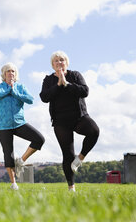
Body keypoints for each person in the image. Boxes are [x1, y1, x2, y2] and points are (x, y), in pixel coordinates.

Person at [39, 50, 99, 192]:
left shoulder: (75, 75)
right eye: (56, 61)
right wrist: (58, 85)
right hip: (60, 121)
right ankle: (71, 187)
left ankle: (81, 157)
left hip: (79, 117)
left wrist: (67, 84)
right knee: (67, 154)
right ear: (52, 65)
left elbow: (85, 91)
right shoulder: (48, 80)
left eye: (62, 60)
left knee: (94, 131)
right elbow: (44, 97)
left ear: (66, 62)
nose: (59, 63)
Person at [0, 63, 45, 190]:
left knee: (39, 139)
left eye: (13, 71)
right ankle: (14, 183)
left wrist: (15, 92)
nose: (11, 73)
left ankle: (21, 161)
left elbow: (30, 99)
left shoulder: (20, 87)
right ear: (4, 74)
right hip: (3, 125)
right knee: (8, 153)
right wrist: (6, 92)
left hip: (19, 123)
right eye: (8, 71)